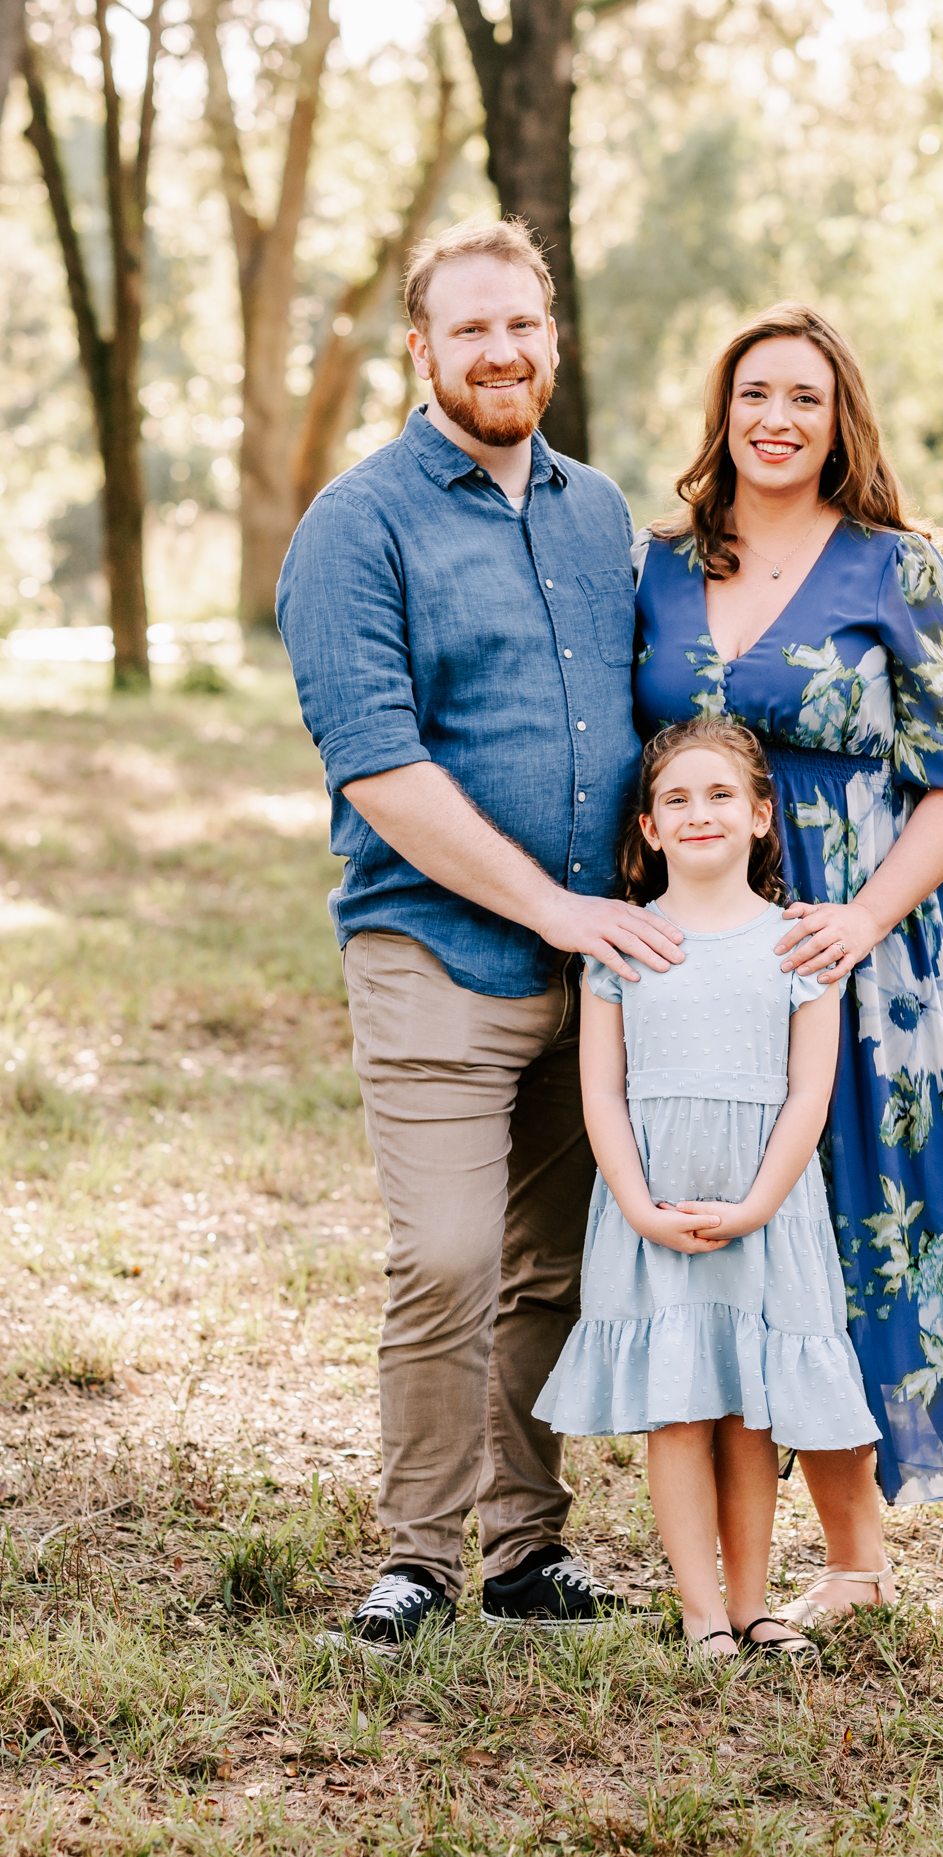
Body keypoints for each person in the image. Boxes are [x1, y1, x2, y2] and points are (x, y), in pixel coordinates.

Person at [629, 303, 943, 1685]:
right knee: (787, 1255)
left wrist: (860, 918)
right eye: (754, 393)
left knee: (926, 1240)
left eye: (806, 400)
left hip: (870, 961)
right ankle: (849, 1560)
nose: (777, 418)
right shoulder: (654, 571)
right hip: (716, 970)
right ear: (720, 413)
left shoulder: (901, 569)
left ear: (841, 424)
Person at [276, 215, 685, 1642]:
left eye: (522, 325)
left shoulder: (593, 512)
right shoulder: (357, 523)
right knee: (444, 1258)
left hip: (596, 968)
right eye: (470, 330)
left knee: (552, 1268)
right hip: (433, 955)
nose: (500, 351)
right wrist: (556, 905)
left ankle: (523, 1552)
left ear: (551, 340)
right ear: (422, 349)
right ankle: (416, 1559)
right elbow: (379, 767)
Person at [534, 719, 881, 1660]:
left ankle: (754, 1605)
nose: (699, 814)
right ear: (647, 828)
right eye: (675, 800)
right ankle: (698, 1613)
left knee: (749, 1408)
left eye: (721, 795)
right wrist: (641, 1206)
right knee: (678, 1408)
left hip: (764, 1208)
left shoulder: (800, 945)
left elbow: (809, 1094)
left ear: (763, 816)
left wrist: (759, 1204)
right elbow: (601, 1092)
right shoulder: (623, 945)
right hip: (653, 1203)